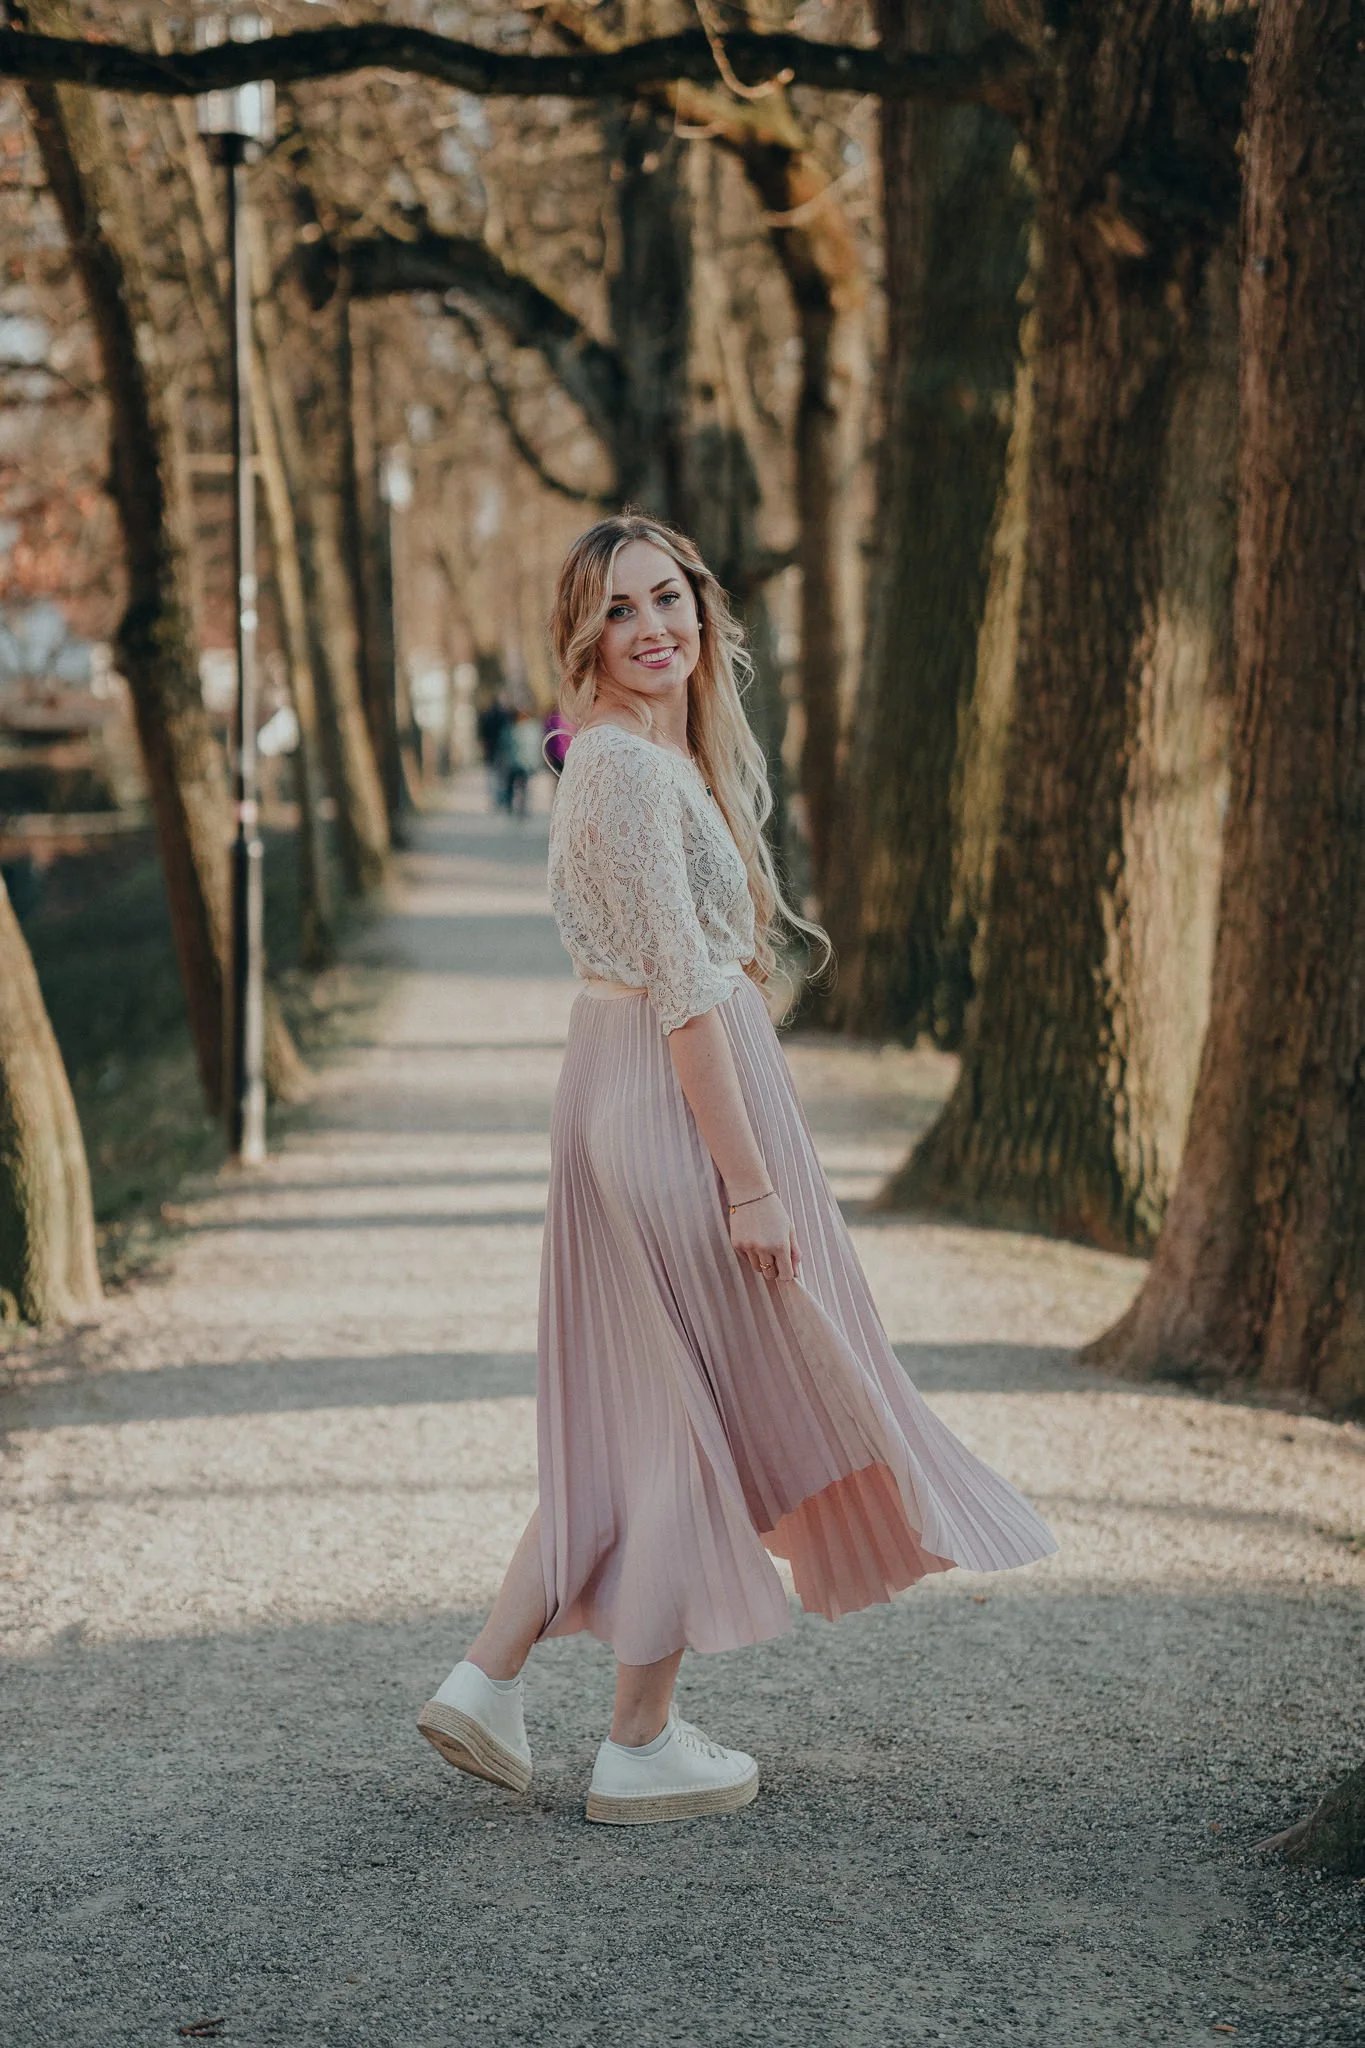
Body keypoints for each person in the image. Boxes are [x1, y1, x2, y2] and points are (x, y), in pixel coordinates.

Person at [418, 513, 1056, 1826]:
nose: (655, 627)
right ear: (583, 636)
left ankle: (486, 1681)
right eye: (621, 609)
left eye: (671, 598)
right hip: (670, 1108)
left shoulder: (620, 757)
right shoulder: (630, 775)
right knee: (682, 1438)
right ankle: (638, 1743)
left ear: (702, 609)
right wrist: (751, 1180)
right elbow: (685, 998)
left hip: (620, 1090)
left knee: (645, 1421)